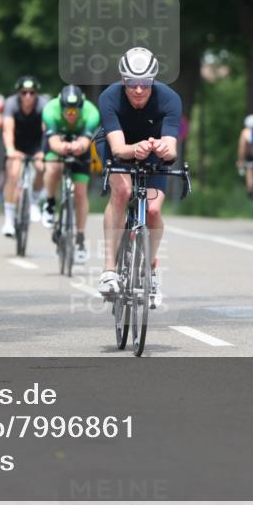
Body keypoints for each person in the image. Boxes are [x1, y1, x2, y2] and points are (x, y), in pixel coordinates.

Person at [95, 47, 182, 309]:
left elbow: (172, 149)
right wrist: (135, 149)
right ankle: (109, 270)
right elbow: (119, 149)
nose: (139, 90)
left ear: (153, 80)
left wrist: (163, 149)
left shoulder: (170, 99)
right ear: (123, 80)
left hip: (152, 150)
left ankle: (150, 271)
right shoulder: (109, 97)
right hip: (117, 147)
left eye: (145, 83)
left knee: (153, 210)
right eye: (132, 83)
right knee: (122, 191)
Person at [41, 84, 100, 264]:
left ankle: (80, 239)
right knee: (54, 167)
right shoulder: (50, 110)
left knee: (80, 192)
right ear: (61, 106)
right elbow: (53, 143)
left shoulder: (91, 112)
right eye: (68, 111)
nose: (71, 115)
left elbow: (85, 141)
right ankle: (50, 203)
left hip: (80, 147)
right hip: (57, 144)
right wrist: (63, 147)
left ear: (81, 107)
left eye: (75, 111)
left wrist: (79, 146)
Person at [0, 76, 48, 237]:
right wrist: (10, 150)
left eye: (32, 93)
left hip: (36, 145)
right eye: (24, 92)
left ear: (36, 94)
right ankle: (8, 221)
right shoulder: (11, 104)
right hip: (17, 144)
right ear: (19, 93)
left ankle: (34, 200)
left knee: (42, 167)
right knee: (13, 174)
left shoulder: (43, 104)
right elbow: (7, 129)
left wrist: (43, 151)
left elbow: (46, 131)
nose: (28, 96)